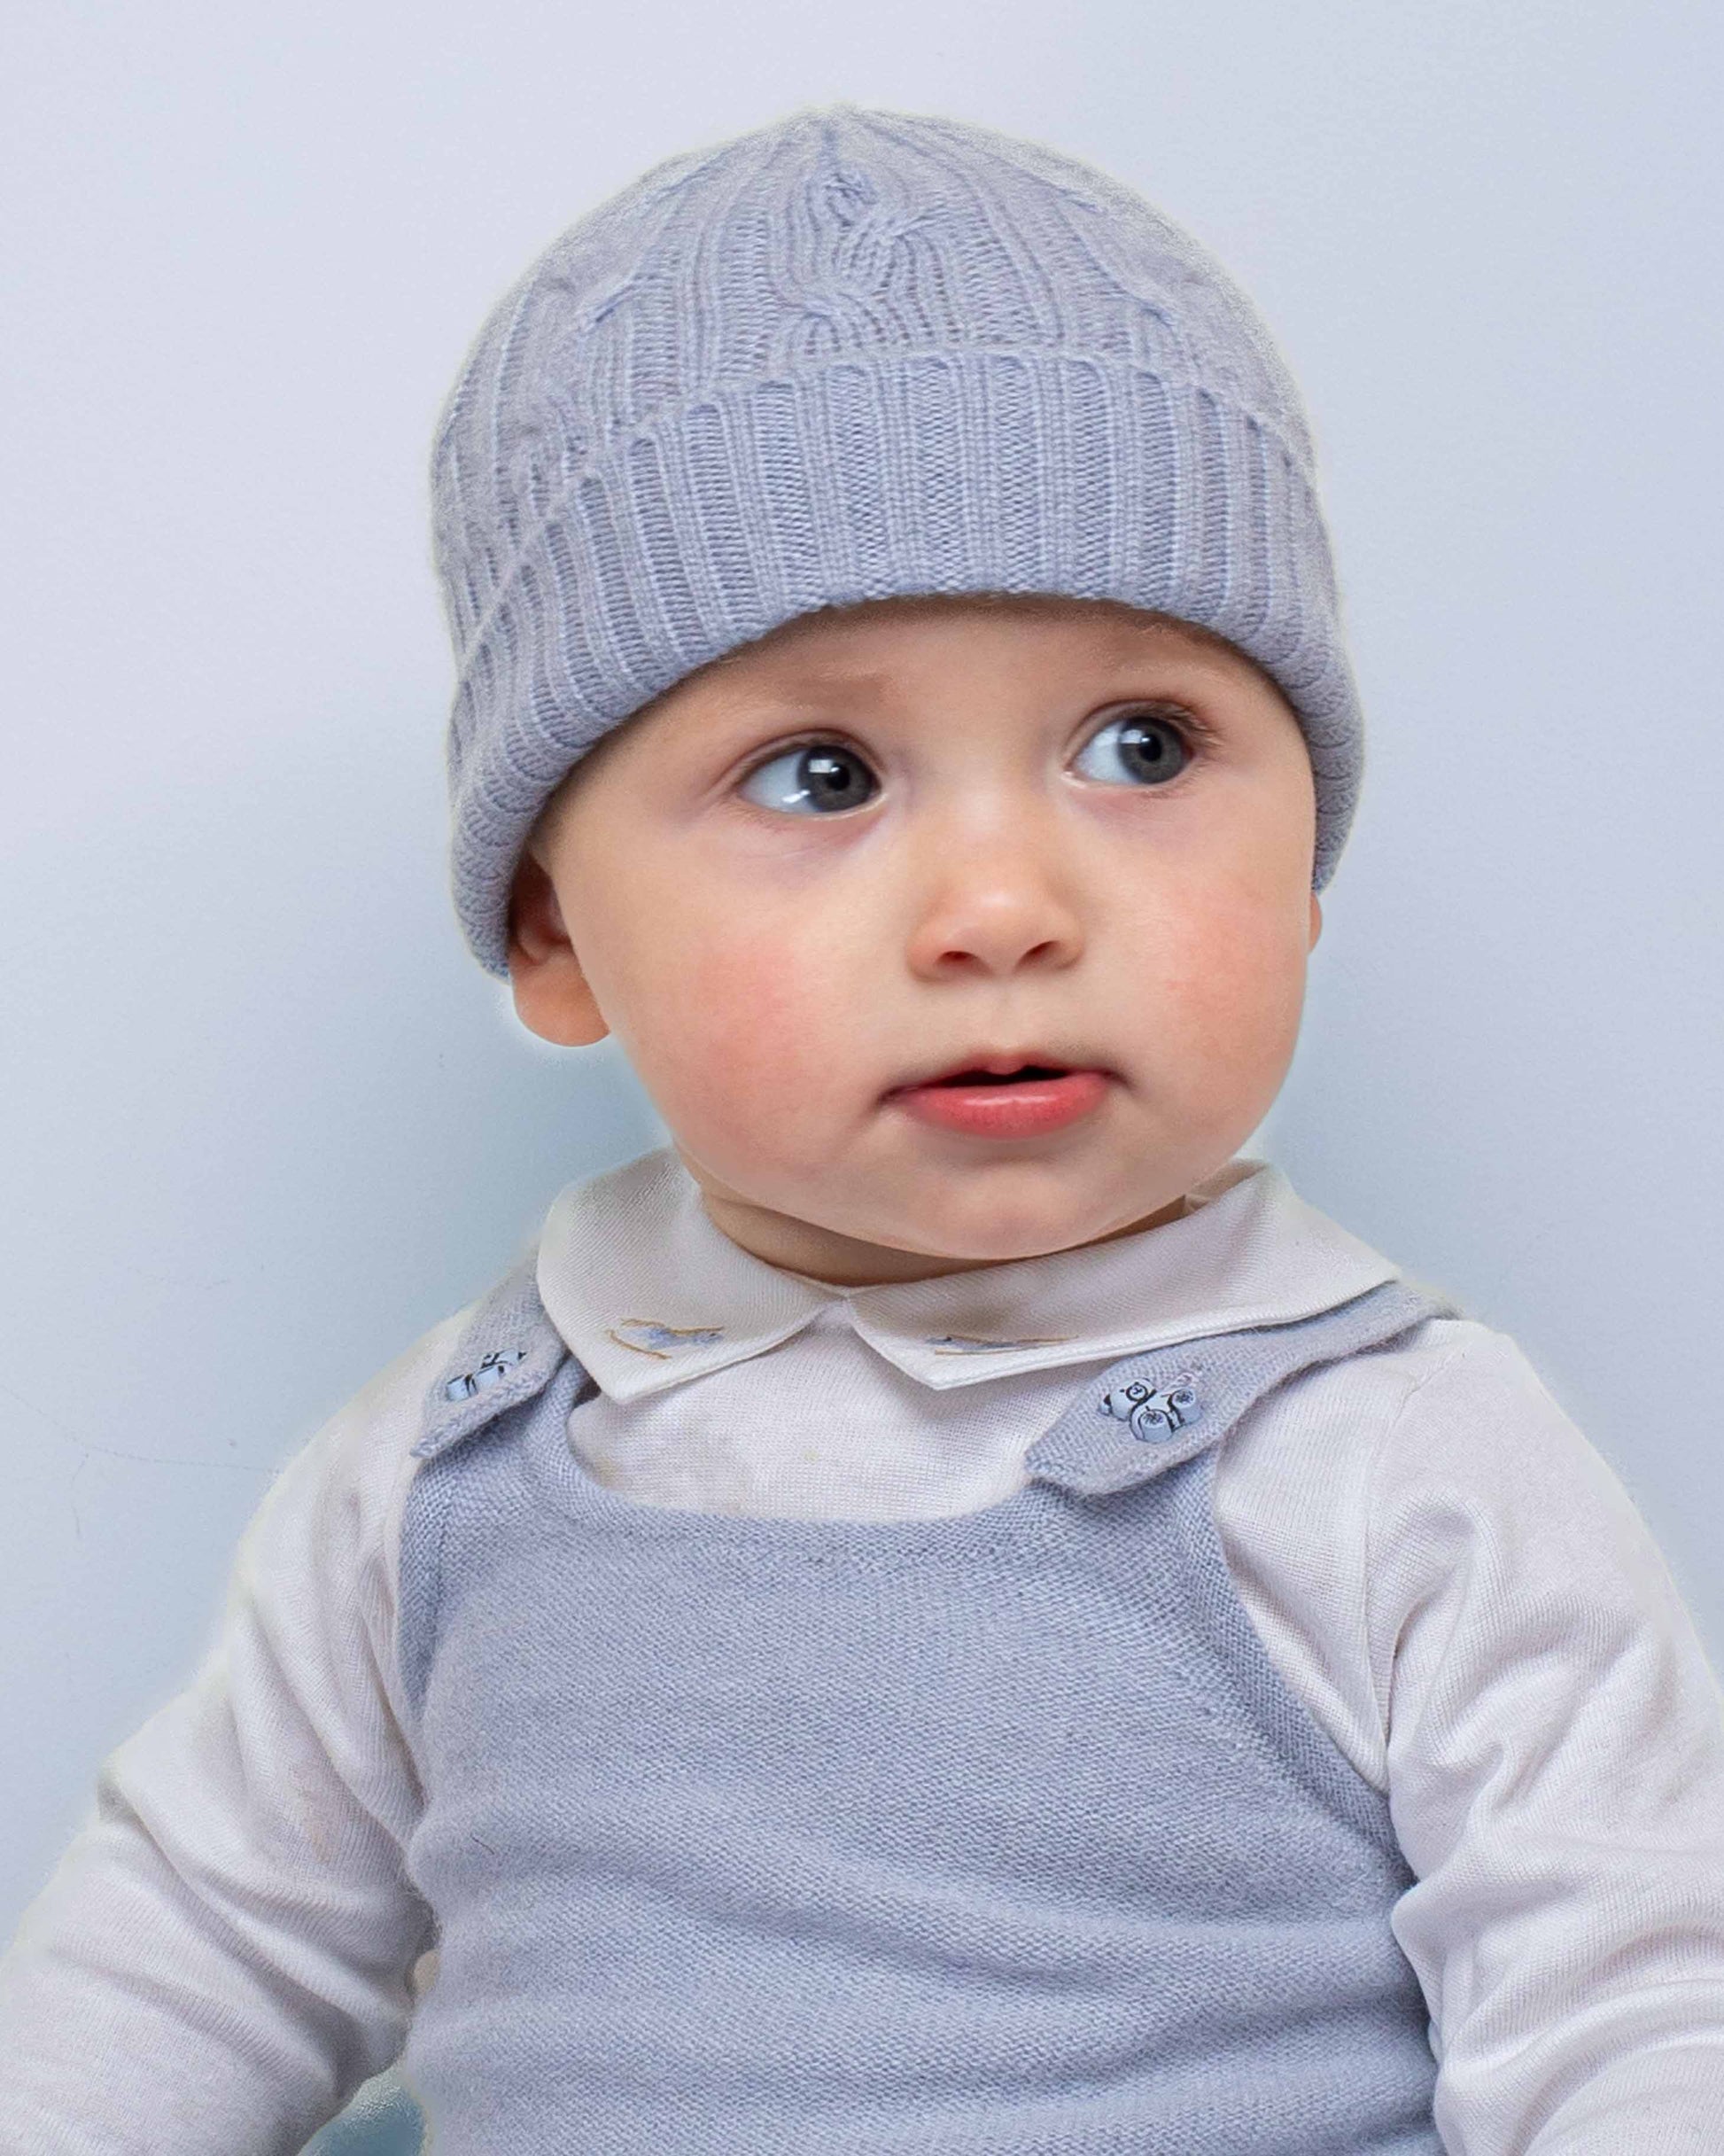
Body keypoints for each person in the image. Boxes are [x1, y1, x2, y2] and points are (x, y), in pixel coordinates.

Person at [3, 103, 1722, 2156]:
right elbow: (198, 1948)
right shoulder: (445, 1468)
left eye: (1140, 745)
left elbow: (1631, 2013)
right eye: (820, 773)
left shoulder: (1388, 1457)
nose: (1003, 906)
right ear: (558, 931)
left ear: (1308, 858)